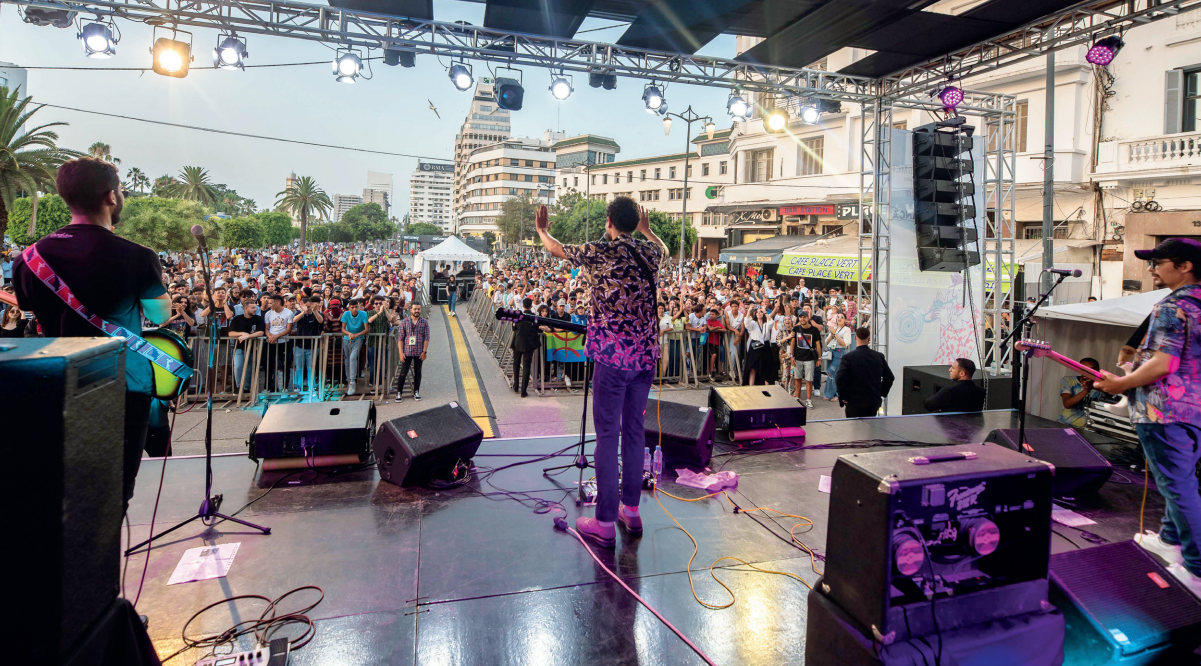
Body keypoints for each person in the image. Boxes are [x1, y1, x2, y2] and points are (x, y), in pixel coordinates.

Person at [12, 157, 171, 508]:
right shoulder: (138, 257)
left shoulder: (28, 259)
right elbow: (161, 315)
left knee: (63, 495)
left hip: (57, 383)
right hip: (122, 385)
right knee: (113, 497)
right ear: (111, 197)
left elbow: (33, 315)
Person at [536, 197, 666, 549]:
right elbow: (663, 248)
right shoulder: (650, 253)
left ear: (609, 221)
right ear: (634, 220)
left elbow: (557, 250)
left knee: (608, 436)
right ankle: (632, 511)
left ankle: (605, 521)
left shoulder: (600, 251)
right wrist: (648, 230)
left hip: (612, 357)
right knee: (635, 432)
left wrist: (542, 229)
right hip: (645, 357)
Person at [1094, 238, 1201, 594]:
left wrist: (1121, 383)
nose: (1153, 268)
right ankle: (1169, 540)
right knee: (1183, 482)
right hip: (1194, 412)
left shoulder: (1173, 305)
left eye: (1159, 261)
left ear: (1184, 266)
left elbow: (1163, 363)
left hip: (1164, 412)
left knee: (1178, 489)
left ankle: (1197, 571)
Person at [836, 327, 894, 418]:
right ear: (869, 339)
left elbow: (840, 378)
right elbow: (889, 377)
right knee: (870, 428)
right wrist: (881, 393)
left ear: (855, 338)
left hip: (853, 400)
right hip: (872, 400)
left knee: (853, 429)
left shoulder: (848, 357)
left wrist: (843, 396)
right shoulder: (878, 356)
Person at [228, 299, 266, 392]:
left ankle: (246, 388)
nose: (255, 309)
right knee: (238, 366)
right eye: (252, 308)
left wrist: (248, 336)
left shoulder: (258, 319)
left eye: (256, 308)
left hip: (253, 347)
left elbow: (261, 332)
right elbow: (230, 333)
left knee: (250, 368)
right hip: (239, 347)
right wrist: (243, 334)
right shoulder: (237, 319)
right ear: (246, 308)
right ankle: (239, 386)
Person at [395, 302, 430, 402]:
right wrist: (401, 353)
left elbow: (427, 338)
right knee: (403, 373)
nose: (417, 311)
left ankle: (416, 391)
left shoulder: (424, 322)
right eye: (415, 309)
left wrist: (424, 351)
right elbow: (400, 339)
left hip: (419, 352)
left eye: (418, 309)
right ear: (411, 310)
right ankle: (399, 393)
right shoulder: (404, 322)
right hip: (407, 352)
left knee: (418, 372)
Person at [1058, 357, 1104, 427]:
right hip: (1066, 424)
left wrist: (1093, 385)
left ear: (1098, 371)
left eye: (1092, 369)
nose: (1087, 372)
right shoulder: (1068, 380)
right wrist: (1086, 390)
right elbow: (1067, 404)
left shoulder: (1103, 386)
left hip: (1090, 429)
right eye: (1084, 369)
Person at [262, 293, 294, 392]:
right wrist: (270, 336)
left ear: (278, 303)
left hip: (284, 342)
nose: (269, 305)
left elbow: (288, 329)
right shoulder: (268, 313)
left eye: (271, 303)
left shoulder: (288, 313)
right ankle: (267, 387)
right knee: (269, 364)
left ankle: (285, 387)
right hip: (271, 342)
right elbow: (266, 328)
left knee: (285, 364)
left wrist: (277, 336)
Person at [292, 296, 324, 392]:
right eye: (306, 306)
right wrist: (303, 311)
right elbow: (294, 320)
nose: (307, 308)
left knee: (311, 368)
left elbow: (321, 321)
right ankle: (298, 386)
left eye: (309, 306)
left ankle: (312, 386)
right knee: (298, 367)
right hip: (299, 345)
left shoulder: (317, 313)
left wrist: (314, 311)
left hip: (313, 346)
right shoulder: (299, 313)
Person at [511, 297, 540, 397]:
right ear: (531, 306)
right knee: (526, 366)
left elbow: (514, 327)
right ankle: (523, 391)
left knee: (516, 364)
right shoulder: (535, 317)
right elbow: (537, 329)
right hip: (529, 344)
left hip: (518, 342)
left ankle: (516, 386)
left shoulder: (518, 315)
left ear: (523, 306)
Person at [340, 298, 370, 395]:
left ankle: (352, 381)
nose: (354, 309)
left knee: (353, 358)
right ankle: (349, 381)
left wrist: (357, 335)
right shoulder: (346, 314)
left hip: (358, 339)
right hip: (347, 339)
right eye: (352, 307)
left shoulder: (363, 314)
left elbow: (366, 329)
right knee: (348, 360)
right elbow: (343, 328)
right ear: (349, 308)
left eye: (356, 307)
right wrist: (349, 334)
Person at [792, 311, 822, 408]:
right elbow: (792, 342)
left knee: (809, 380)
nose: (802, 319)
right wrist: (792, 356)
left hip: (809, 358)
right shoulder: (796, 328)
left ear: (808, 318)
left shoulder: (814, 330)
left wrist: (819, 358)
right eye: (800, 317)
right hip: (798, 357)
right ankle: (797, 398)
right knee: (797, 378)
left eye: (804, 317)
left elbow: (818, 345)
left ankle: (808, 400)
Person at [823, 313, 852, 401]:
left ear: (845, 320)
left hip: (839, 352)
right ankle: (829, 394)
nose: (839, 319)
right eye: (838, 317)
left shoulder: (847, 330)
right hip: (831, 351)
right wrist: (832, 335)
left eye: (841, 317)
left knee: (834, 372)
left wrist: (835, 334)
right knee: (829, 372)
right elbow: (826, 342)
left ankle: (837, 394)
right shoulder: (834, 329)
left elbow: (844, 343)